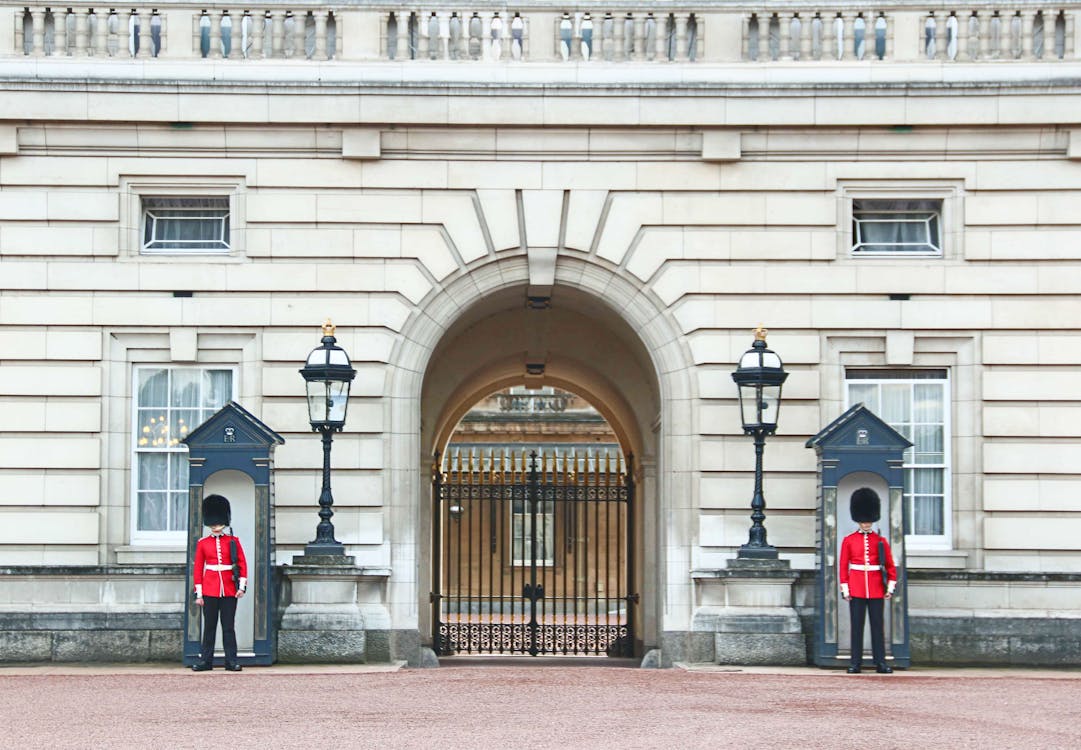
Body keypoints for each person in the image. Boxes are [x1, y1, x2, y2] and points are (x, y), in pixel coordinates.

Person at [839, 487, 897, 674]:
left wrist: (890, 586)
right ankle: (855, 662)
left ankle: (880, 662)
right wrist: (845, 589)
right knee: (857, 626)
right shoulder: (849, 540)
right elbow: (843, 566)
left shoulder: (880, 541)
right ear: (858, 520)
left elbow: (890, 565)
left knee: (877, 627)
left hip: (876, 587)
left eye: (868, 521)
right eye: (863, 521)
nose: (866, 524)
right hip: (856, 587)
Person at [192, 494, 247, 672]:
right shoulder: (202, 543)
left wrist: (241, 587)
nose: (215, 526)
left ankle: (231, 661)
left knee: (228, 627)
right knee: (209, 628)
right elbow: (198, 568)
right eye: (213, 523)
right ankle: (206, 661)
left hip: (229, 589)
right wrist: (199, 594)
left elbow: (242, 564)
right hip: (209, 589)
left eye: (218, 522)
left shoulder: (233, 541)